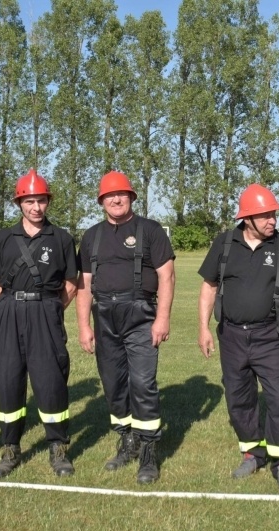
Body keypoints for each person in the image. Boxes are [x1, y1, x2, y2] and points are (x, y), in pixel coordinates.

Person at [197, 183, 279, 493]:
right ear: (247, 218)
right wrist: (203, 327)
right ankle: (252, 454)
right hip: (231, 337)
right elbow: (208, 286)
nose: (272, 220)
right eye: (265, 215)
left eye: (274, 214)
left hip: (271, 336)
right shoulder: (223, 244)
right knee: (239, 399)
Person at [76, 171, 175, 484]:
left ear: (132, 197)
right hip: (104, 316)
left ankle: (148, 451)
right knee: (114, 384)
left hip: (140, 315)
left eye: (122, 195)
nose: (116, 200)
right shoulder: (92, 235)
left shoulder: (150, 230)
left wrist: (162, 318)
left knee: (143, 383)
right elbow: (84, 285)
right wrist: (83, 325)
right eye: (109, 196)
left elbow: (167, 276)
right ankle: (127, 440)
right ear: (101, 201)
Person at [0, 169, 79, 478]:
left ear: (48, 202)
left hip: (45, 312)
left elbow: (70, 284)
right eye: (29, 201)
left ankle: (57, 448)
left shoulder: (62, 238)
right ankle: (10, 448)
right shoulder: (2, 237)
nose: (35, 207)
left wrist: (48, 309)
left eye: (40, 201)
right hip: (9, 312)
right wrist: (16, 304)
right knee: (9, 380)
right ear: (19, 203)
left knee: (50, 381)